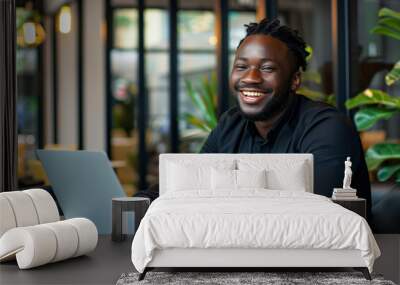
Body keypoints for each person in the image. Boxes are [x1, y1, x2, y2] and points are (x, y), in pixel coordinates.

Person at [137, 18, 372, 220]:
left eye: (267, 68)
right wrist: (143, 201)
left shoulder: (327, 128)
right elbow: (193, 183)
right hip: (247, 257)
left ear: (295, 80)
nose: (250, 78)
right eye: (241, 66)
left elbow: (315, 212)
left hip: (331, 266)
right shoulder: (231, 124)